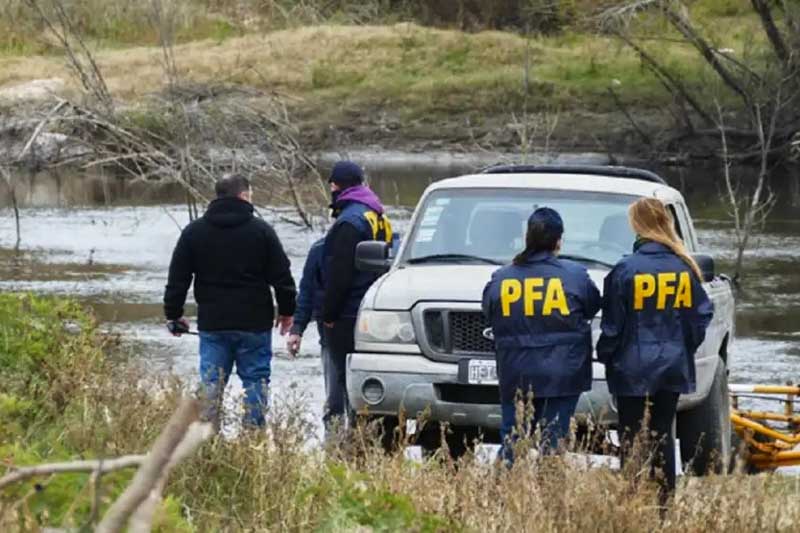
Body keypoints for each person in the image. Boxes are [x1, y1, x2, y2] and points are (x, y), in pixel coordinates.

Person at [597, 197, 713, 506]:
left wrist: (605, 354)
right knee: (663, 432)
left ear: (637, 226)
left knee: (632, 435)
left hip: (631, 366)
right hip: (672, 364)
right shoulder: (684, 267)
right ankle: (664, 502)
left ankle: (633, 500)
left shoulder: (625, 269)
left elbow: (612, 325)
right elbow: (701, 316)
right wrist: (682, 346)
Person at [163, 174, 296, 428]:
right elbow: (282, 277)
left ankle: (207, 438)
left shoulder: (194, 232)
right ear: (244, 196)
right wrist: (288, 311)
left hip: (214, 322)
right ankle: (252, 436)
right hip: (255, 322)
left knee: (211, 381)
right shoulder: (262, 231)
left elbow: (177, 277)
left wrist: (173, 313)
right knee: (256, 379)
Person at [482, 207, 600, 463]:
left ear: (528, 238)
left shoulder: (502, 278)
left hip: (517, 373)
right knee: (554, 444)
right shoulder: (575, 275)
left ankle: (505, 497)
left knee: (513, 443)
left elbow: (489, 313)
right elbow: (592, 306)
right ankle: (550, 497)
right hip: (563, 375)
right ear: (558, 241)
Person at [321, 161, 391, 432]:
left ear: (338, 186)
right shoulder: (378, 215)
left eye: (333, 184)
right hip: (374, 306)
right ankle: (372, 435)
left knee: (346, 376)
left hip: (348, 310)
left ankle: (352, 435)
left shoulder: (349, 222)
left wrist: (329, 313)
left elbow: (340, 273)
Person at [286, 238, 332, 395]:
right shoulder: (321, 248)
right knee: (335, 393)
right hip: (330, 327)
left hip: (343, 326)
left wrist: (297, 329)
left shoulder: (321, 247)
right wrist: (297, 328)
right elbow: (307, 292)